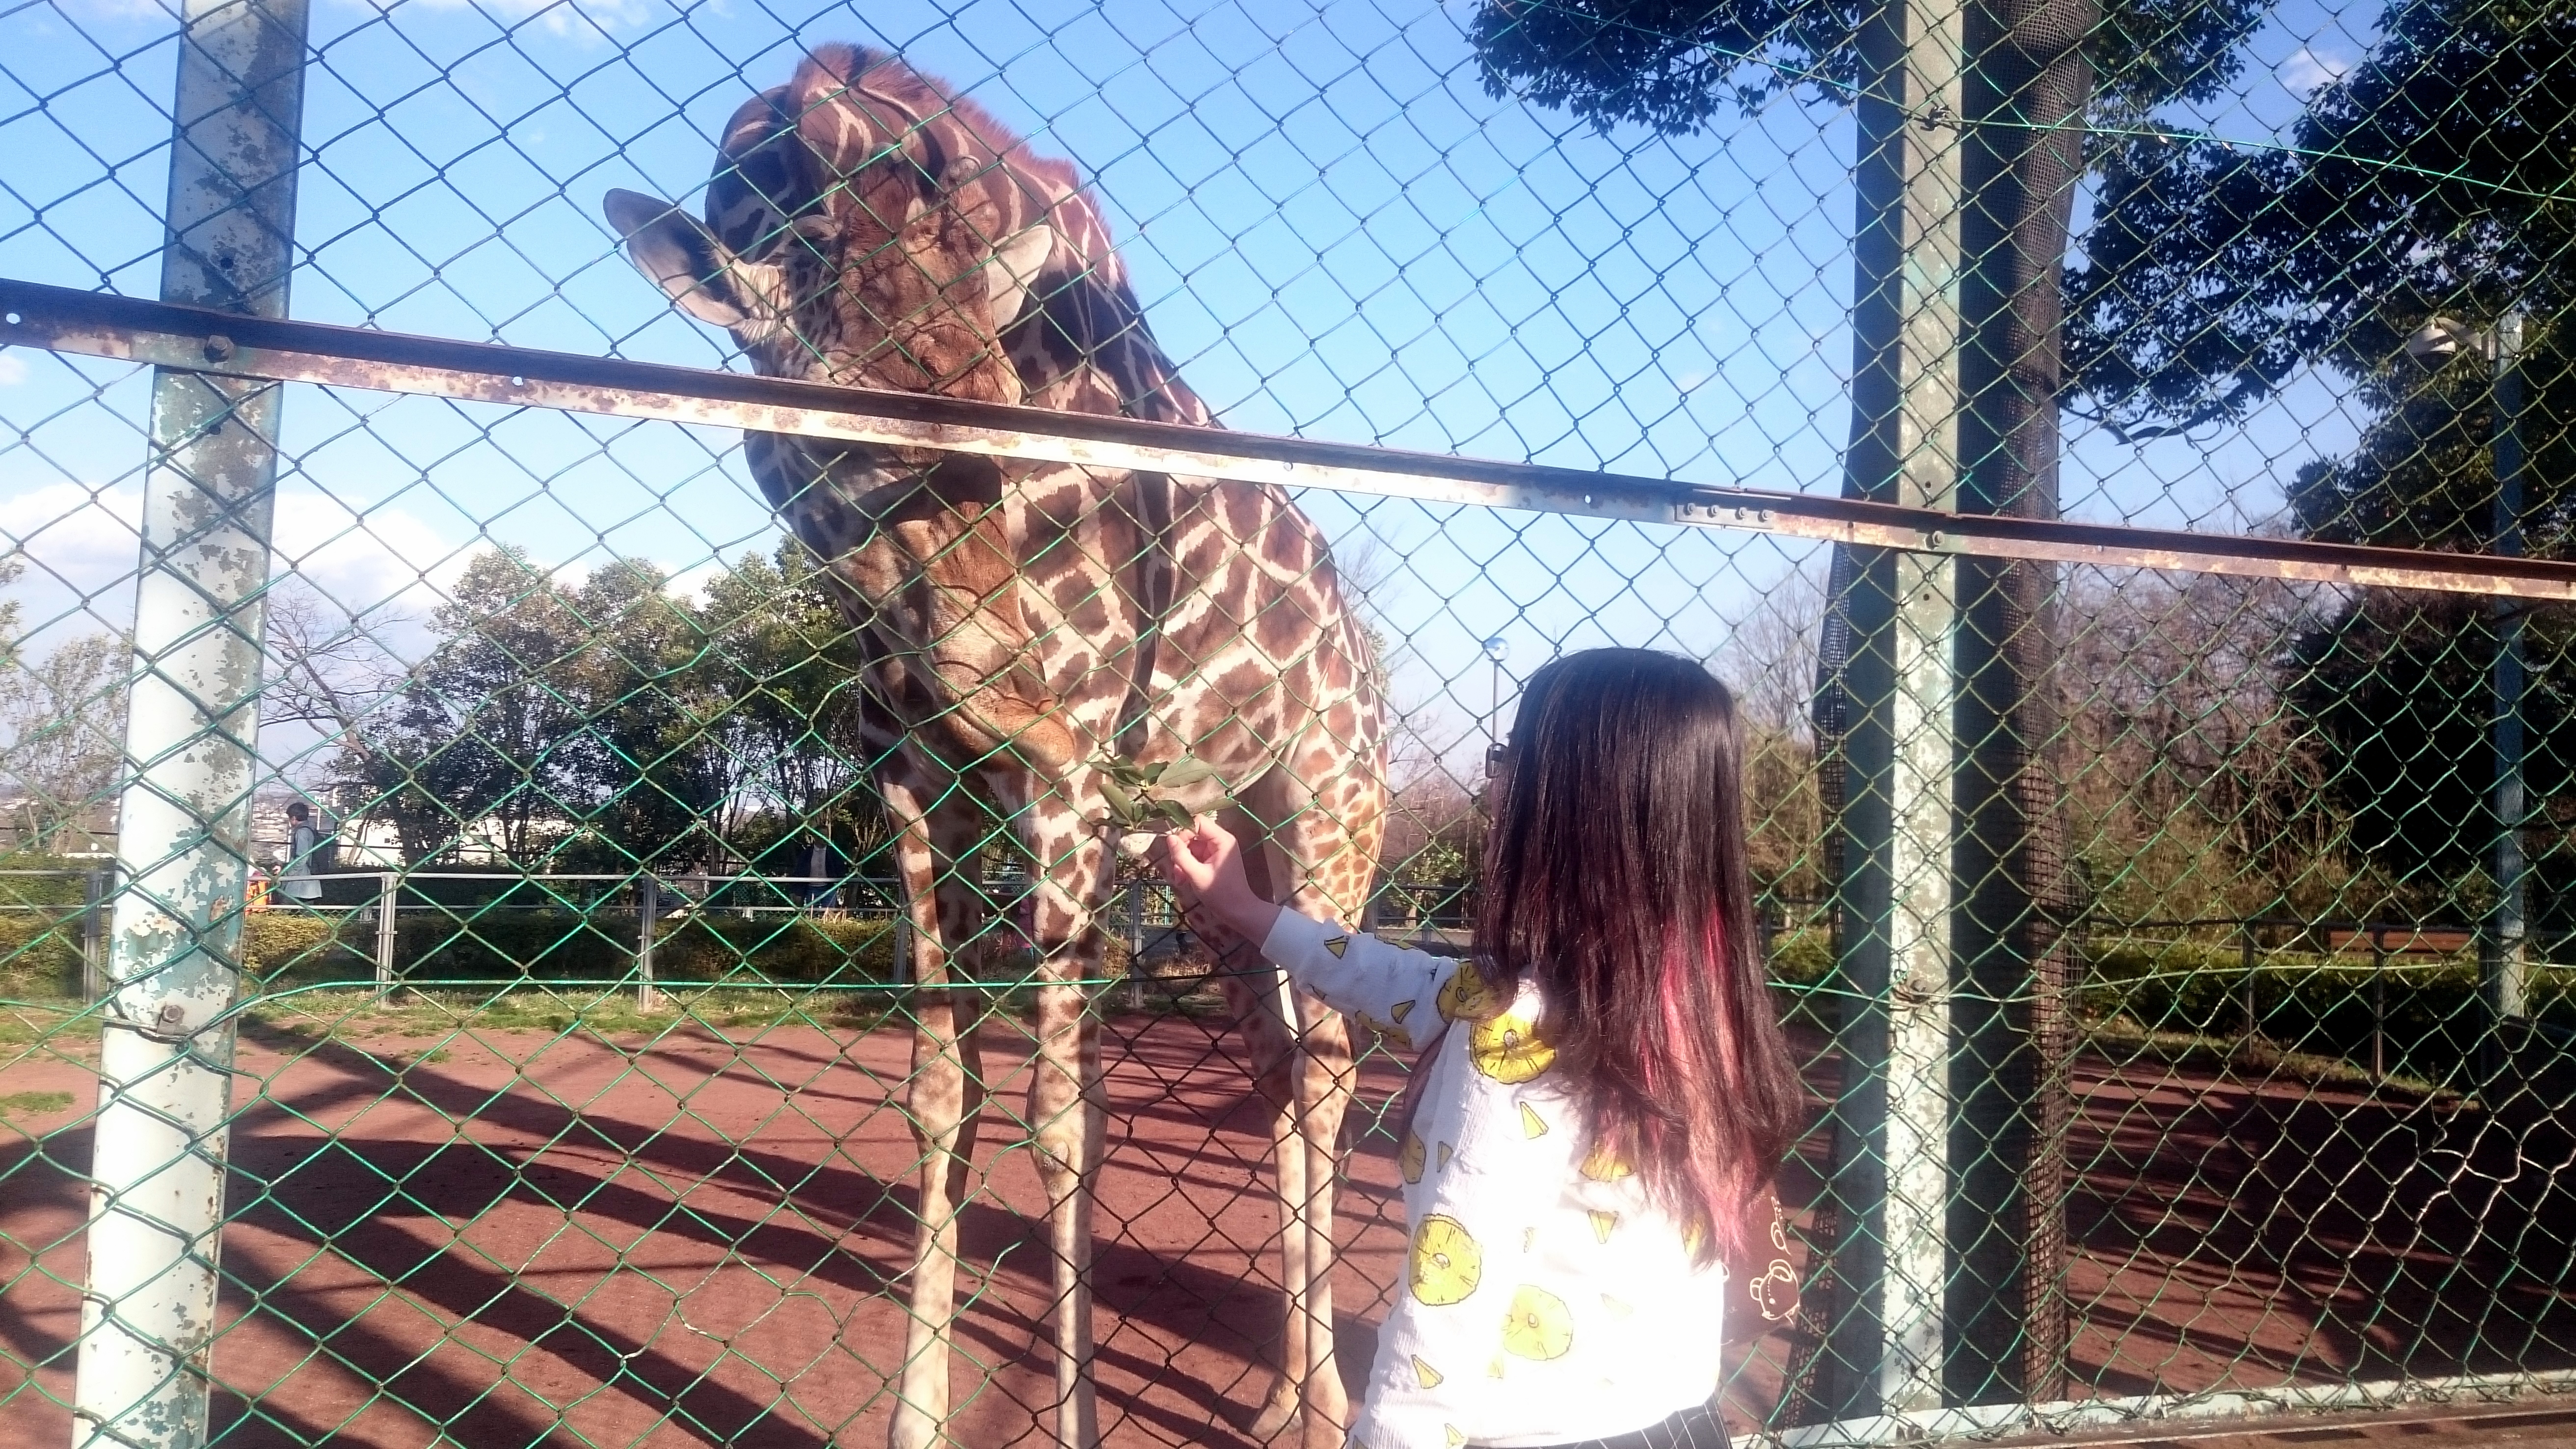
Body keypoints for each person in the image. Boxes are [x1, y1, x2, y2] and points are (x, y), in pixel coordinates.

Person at [1156, 648, 1805, 1449]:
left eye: (1509, 758)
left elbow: (1440, 1326)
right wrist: (1251, 911)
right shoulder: (1691, 1005)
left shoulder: (1514, 1039)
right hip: (1680, 1420)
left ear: (1567, 803)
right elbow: (1399, 977)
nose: (1490, 781)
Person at [279, 800, 326, 905]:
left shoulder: (302, 832)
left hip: (299, 882)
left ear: (294, 818)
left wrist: (287, 873)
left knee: (282, 912)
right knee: (307, 916)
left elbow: (302, 857)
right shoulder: (311, 829)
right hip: (310, 882)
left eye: (289, 818)